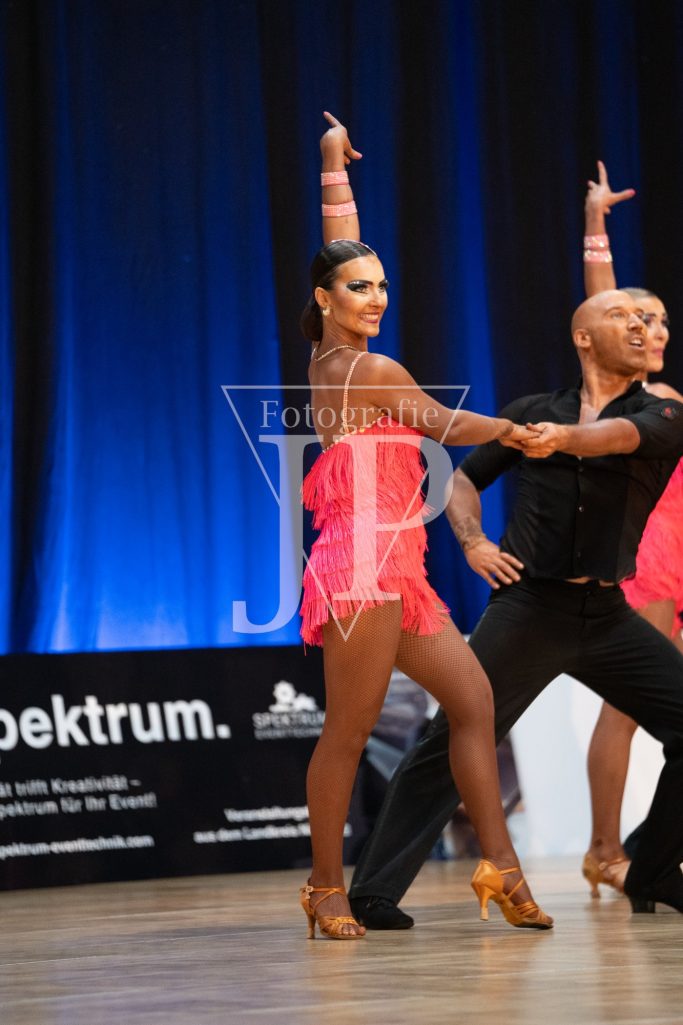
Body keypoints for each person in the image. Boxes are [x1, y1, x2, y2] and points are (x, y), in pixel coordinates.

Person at [348, 287, 683, 928]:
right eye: (621, 316)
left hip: (608, 615)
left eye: (647, 319)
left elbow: (616, 437)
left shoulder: (662, 414)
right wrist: (473, 540)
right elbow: (461, 478)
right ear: (583, 337)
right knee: (455, 734)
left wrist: (564, 438)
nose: (641, 326)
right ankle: (373, 891)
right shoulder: (532, 413)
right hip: (529, 610)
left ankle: (654, 869)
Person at [298, 115, 553, 939]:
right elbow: (443, 424)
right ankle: (324, 887)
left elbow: (337, 248)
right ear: (325, 299)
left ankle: (499, 865)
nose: (375, 297)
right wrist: (512, 429)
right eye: (359, 288)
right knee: (348, 731)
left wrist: (332, 166)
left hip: (398, 566)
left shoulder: (329, 354)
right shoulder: (369, 367)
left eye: (382, 285)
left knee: (473, 702)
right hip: (359, 566)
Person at [579, 163, 683, 897]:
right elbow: (602, 307)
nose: (652, 328)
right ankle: (604, 848)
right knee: (626, 707)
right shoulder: (630, 393)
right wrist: (595, 226)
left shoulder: (666, 395)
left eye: (661, 320)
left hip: (678, 553)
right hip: (646, 556)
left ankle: (645, 850)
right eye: (639, 320)